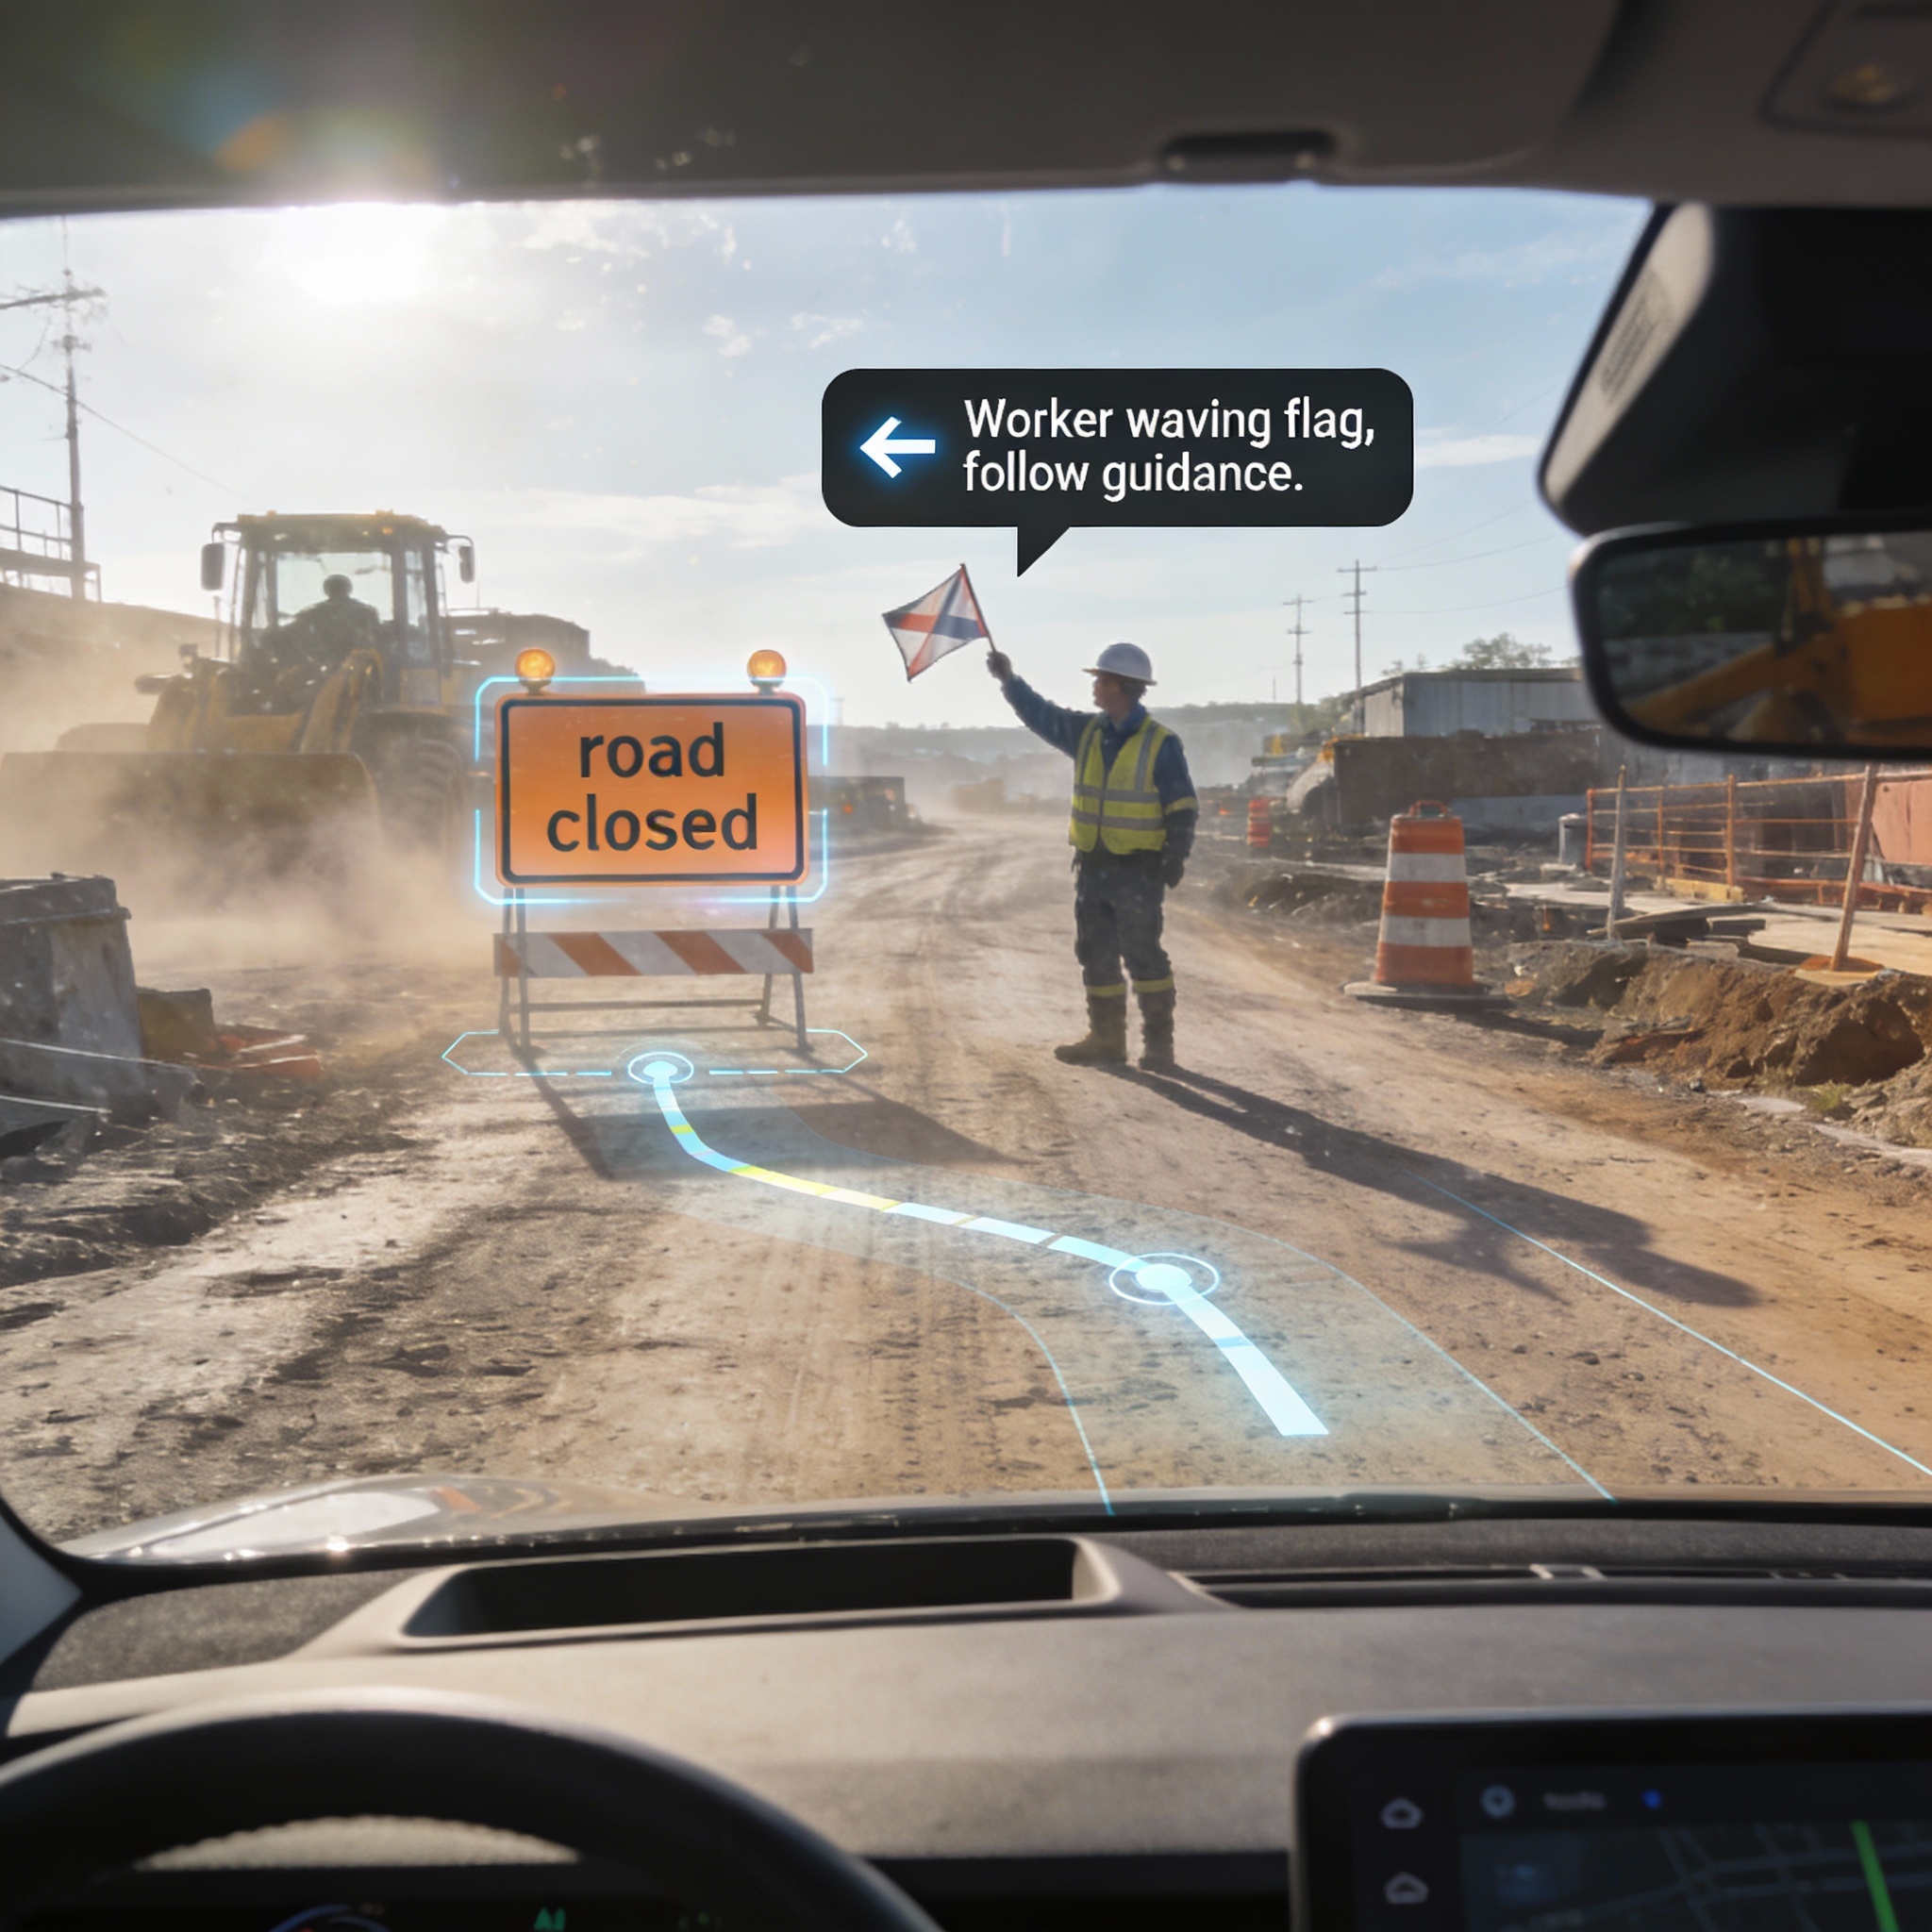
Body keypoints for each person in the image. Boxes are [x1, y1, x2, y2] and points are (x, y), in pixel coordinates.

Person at [985, 640, 1197, 1072]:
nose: (1095, 687)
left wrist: (1175, 856)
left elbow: (1182, 805)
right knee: (1095, 952)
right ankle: (1106, 1040)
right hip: (1094, 866)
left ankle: (1158, 1045)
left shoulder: (1161, 744)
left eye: (1100, 679)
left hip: (1138, 869)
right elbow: (1042, 716)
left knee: (1144, 955)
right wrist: (1010, 681)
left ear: (1120, 686)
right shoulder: (1088, 733)